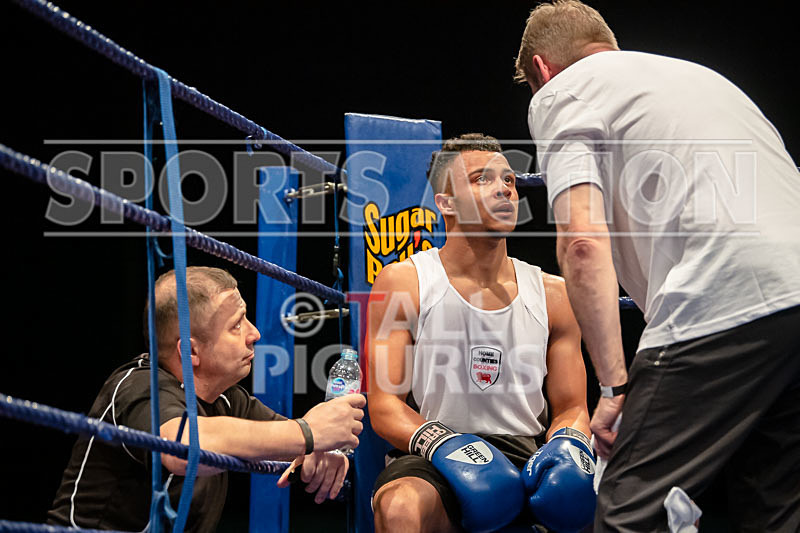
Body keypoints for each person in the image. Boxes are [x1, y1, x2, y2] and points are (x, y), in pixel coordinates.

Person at [515, 1, 800, 531]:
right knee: (771, 511)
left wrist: (615, 385)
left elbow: (581, 242)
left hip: (723, 301)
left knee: (627, 512)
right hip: (787, 303)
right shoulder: (701, 79)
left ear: (541, 69)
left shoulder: (564, 90)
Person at [367, 134, 593, 532]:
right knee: (400, 506)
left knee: (605, 500)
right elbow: (385, 406)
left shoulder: (554, 293)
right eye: (482, 179)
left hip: (527, 453)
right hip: (434, 451)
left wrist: (569, 445)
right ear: (446, 203)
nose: (504, 189)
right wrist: (446, 445)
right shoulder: (406, 282)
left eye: (508, 180)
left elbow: (572, 407)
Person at [47, 266, 365, 532]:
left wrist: (319, 449)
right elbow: (181, 447)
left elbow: (298, 441)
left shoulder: (227, 400)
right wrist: (306, 434)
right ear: (191, 351)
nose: (254, 333)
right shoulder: (139, 387)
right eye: (236, 325)